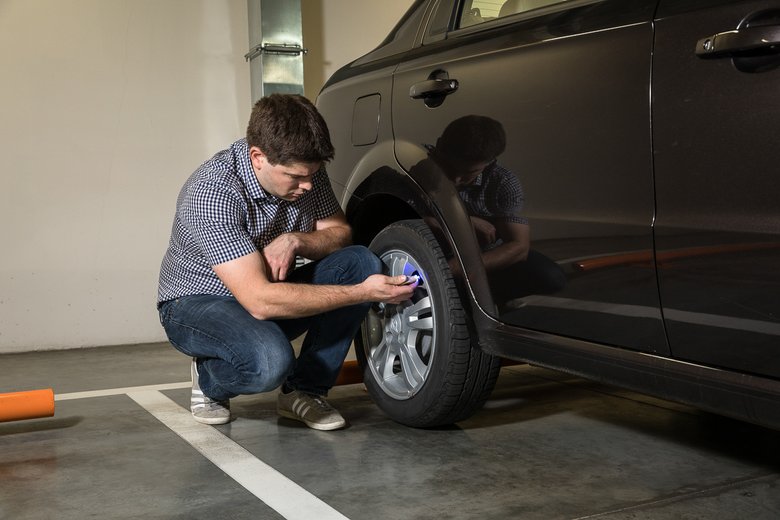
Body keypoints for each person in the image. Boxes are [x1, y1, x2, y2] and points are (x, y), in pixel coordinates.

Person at [157, 94, 415, 430]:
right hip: (196, 305)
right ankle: (210, 377)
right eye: (295, 177)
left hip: (265, 291)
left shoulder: (305, 174)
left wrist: (296, 240)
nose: (307, 185)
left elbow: (339, 233)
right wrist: (362, 294)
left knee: (359, 262)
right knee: (269, 362)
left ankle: (303, 392)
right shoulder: (212, 192)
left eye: (313, 174)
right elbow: (260, 302)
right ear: (258, 157)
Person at [429, 115, 566, 308]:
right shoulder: (416, 165)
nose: (457, 179)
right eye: (450, 168)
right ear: (439, 146)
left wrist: (455, 269)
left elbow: (519, 247)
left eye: (469, 173)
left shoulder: (503, 182)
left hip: (479, 259)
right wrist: (465, 223)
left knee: (550, 276)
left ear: (489, 162)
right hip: (431, 250)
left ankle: (481, 302)